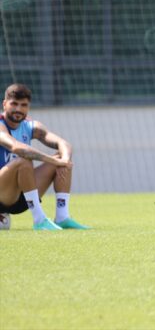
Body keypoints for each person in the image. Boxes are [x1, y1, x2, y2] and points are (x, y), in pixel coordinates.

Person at [0, 83, 90, 230]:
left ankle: (62, 217)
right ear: (4, 104)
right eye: (14, 104)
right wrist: (51, 159)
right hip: (3, 193)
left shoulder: (31, 126)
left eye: (23, 105)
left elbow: (63, 143)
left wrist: (64, 160)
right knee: (23, 160)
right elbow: (16, 147)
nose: (18, 109)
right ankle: (39, 220)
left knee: (61, 157)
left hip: (21, 196)